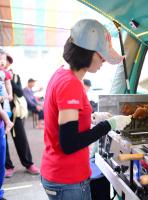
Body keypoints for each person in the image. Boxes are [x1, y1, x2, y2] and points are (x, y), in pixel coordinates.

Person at [40, 19, 132, 200]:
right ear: (86, 53)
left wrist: (92, 117)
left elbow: (64, 119)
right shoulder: (70, 84)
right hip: (67, 178)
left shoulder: (62, 73)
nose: (104, 60)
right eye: (102, 55)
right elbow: (69, 143)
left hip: (58, 172)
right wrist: (109, 124)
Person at [4, 53, 40, 178]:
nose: (4, 62)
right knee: (3, 141)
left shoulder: (15, 76)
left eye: (6, 61)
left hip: (15, 113)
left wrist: (7, 77)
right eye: (2, 60)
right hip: (1, 113)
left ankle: (28, 164)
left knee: (21, 138)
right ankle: (8, 166)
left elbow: (19, 93)